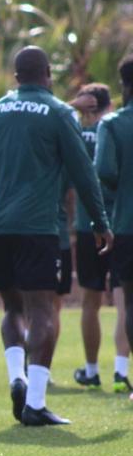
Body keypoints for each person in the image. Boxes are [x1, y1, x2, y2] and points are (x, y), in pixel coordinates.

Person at [0, 46, 113, 426]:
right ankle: (35, 402)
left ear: (15, 77)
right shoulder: (59, 113)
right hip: (38, 227)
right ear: (47, 73)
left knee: (12, 308)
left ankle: (17, 376)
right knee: (43, 310)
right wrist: (100, 222)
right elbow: (83, 173)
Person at [69, 84, 131, 392]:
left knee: (90, 302)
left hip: (88, 226)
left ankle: (92, 370)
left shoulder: (77, 135)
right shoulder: (118, 127)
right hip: (121, 224)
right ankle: (121, 372)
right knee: (124, 302)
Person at [96, 56, 133, 401]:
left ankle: (125, 371)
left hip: (126, 224)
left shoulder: (113, 125)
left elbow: (103, 171)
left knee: (129, 304)